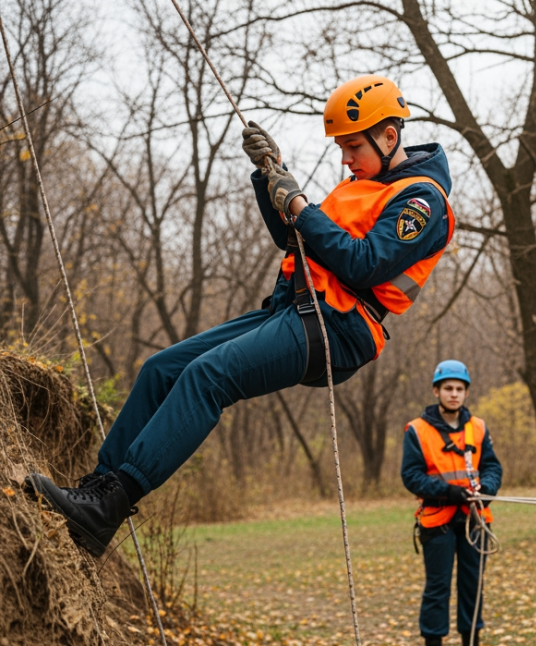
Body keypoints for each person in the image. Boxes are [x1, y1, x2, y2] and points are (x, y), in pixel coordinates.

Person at [26, 75, 455, 557]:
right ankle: (97, 492)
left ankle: (111, 504)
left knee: (209, 376)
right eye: (341, 147)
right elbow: (294, 238)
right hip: (296, 307)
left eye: (352, 146)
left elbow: (363, 263)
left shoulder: (422, 200)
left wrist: (299, 204)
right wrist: (270, 176)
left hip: (339, 327)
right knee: (162, 369)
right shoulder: (361, 186)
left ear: (389, 137)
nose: (345, 158)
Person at [401, 360, 502, 646]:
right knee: (438, 588)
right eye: (448, 388)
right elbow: (411, 476)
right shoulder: (417, 430)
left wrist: (486, 489)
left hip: (475, 520)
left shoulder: (478, 428)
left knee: (473, 587)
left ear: (466, 392)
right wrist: (448, 491)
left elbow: (492, 467)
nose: (454, 394)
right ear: (437, 391)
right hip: (438, 521)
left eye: (459, 389)